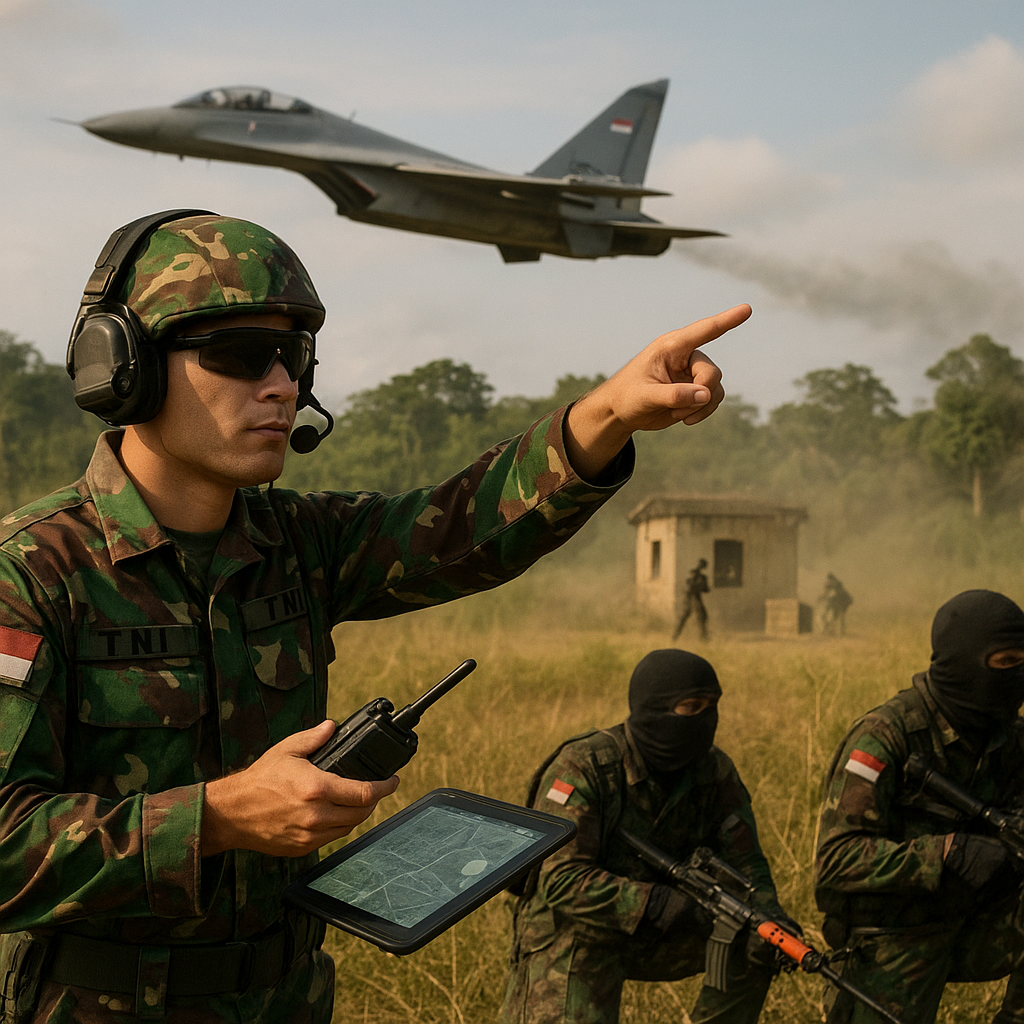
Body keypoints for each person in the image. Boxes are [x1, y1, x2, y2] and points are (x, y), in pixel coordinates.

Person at [0, 209, 748, 1024]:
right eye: (241, 355)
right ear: (126, 366)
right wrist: (216, 819)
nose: (282, 385)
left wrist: (608, 414)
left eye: (294, 356)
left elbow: (460, 529)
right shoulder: (31, 574)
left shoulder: (297, 544)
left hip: (287, 999)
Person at [500, 648, 794, 1024]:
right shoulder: (585, 766)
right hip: (574, 929)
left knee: (755, 943)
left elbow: (747, 860)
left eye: (712, 706)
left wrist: (770, 917)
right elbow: (560, 880)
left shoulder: (714, 770)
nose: (704, 719)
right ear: (654, 710)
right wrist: (656, 904)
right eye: (691, 707)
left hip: (666, 927)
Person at [815, 589, 1024, 1024]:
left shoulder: (1012, 738)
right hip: (893, 933)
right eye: (1006, 662)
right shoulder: (886, 736)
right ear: (964, 663)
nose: (1017, 675)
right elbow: (836, 860)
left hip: (975, 921)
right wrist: (946, 855)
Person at [673, 557, 710, 640]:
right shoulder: (694, 574)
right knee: (686, 617)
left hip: (695, 597)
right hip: (690, 597)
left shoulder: (702, 577)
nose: (700, 567)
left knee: (701, 616)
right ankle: (675, 636)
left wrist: (702, 585)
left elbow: (706, 589)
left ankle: (704, 637)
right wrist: (699, 585)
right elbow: (688, 587)